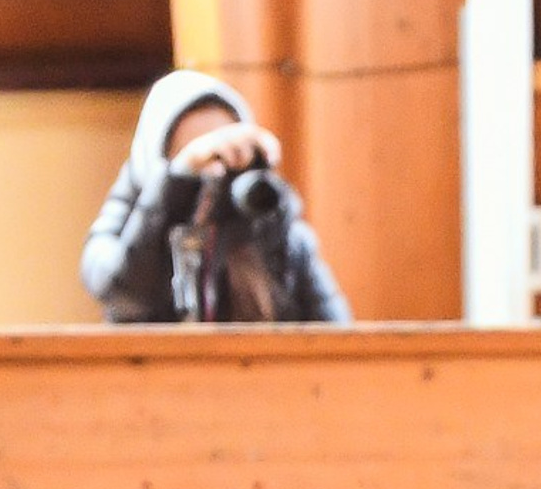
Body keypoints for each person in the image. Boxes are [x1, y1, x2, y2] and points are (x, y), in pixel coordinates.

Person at [81, 69, 349, 323]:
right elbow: (126, 294)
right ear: (158, 160)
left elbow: (339, 343)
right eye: (197, 156)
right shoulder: (120, 225)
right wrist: (176, 185)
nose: (213, 173)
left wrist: (271, 222)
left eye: (226, 156)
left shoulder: (280, 235)